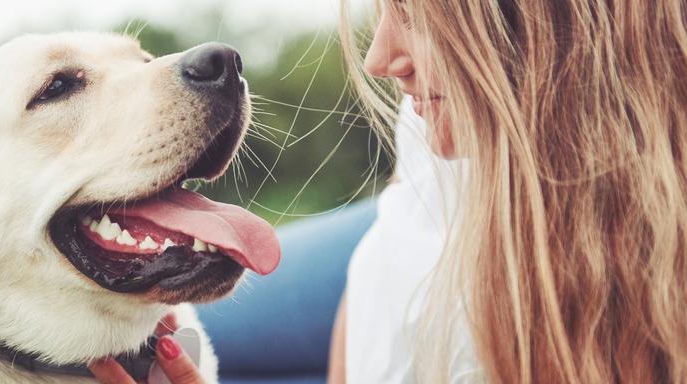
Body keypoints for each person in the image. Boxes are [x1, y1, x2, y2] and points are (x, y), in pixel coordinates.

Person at [92, 0, 687, 382]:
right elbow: (391, 231)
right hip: (399, 227)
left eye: (418, 18)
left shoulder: (612, 312)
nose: (379, 60)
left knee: (155, 361)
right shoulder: (436, 124)